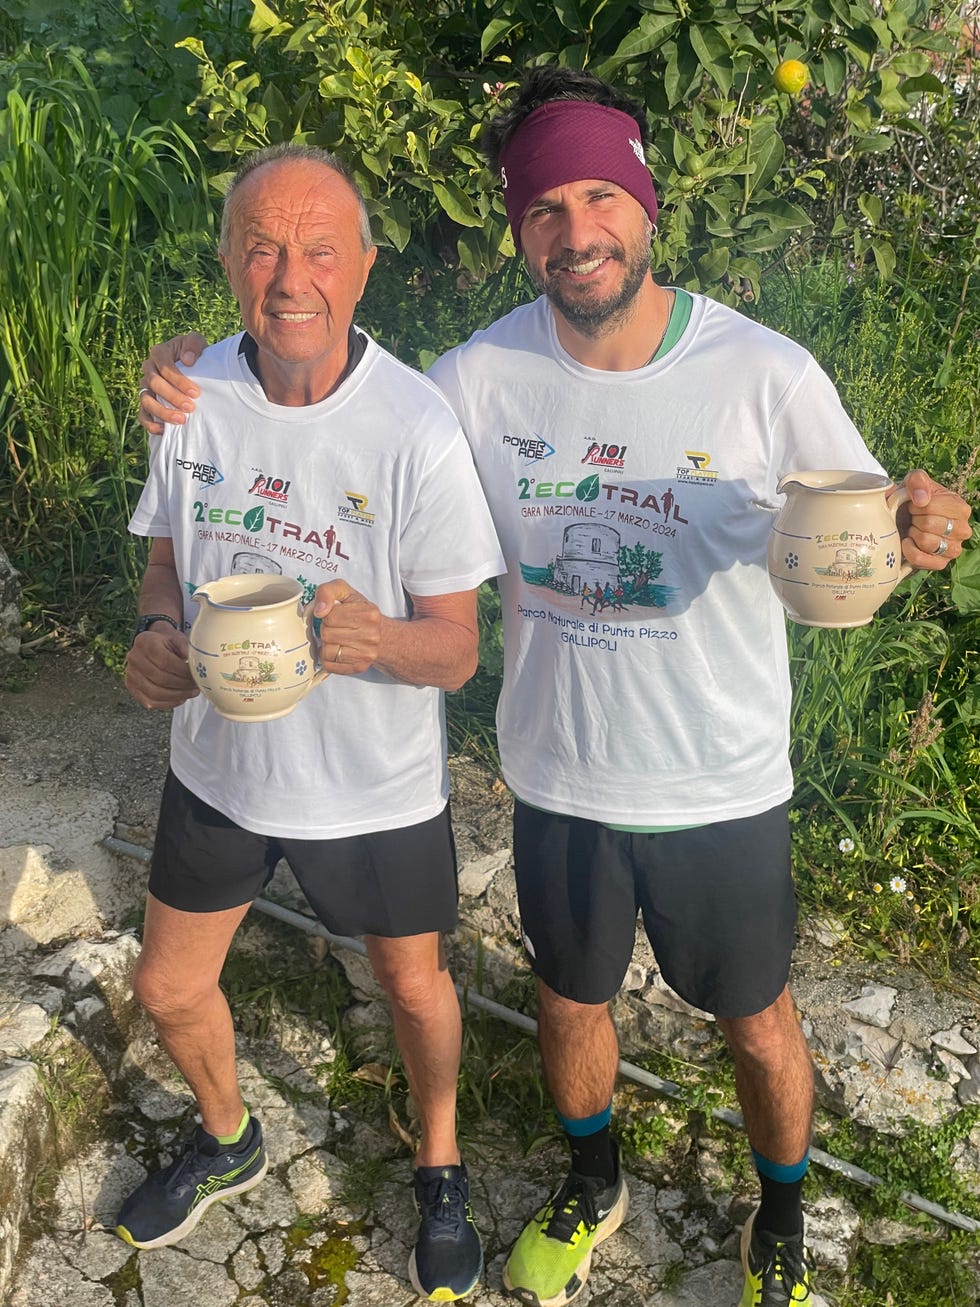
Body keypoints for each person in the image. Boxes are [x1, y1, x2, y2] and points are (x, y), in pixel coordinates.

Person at [136, 67, 972, 1307]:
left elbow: (857, 540)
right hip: (557, 776)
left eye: (599, 197)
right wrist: (190, 370)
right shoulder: (475, 379)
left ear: (645, 209)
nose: (576, 232)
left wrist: (923, 527)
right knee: (569, 1004)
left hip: (719, 776)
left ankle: (782, 1208)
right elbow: (337, 395)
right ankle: (592, 1183)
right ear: (519, 230)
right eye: (544, 209)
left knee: (755, 1018)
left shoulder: (765, 372)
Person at [120, 143, 503, 1305]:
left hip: (371, 791)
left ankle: (437, 1158)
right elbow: (163, 564)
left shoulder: (414, 425)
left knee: (416, 989)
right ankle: (231, 1133)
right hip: (219, 771)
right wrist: (151, 640)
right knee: (165, 990)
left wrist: (377, 638)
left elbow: (459, 648)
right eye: (262, 246)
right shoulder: (188, 396)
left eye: (319, 249)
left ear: (366, 268)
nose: (290, 277)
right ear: (229, 262)